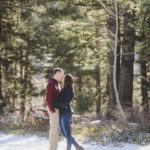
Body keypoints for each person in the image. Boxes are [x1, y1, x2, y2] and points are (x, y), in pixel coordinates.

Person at [53, 74, 84, 150]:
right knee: (64, 133)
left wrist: (54, 103)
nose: (62, 78)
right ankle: (77, 147)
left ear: (66, 80)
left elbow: (66, 102)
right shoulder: (65, 88)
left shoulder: (69, 90)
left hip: (66, 113)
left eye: (63, 78)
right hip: (62, 113)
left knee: (67, 134)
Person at [46, 68, 64, 150]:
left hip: (57, 109)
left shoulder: (57, 84)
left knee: (56, 130)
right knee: (53, 131)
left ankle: (54, 148)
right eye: (62, 74)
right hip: (53, 109)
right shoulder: (51, 83)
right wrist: (52, 111)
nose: (62, 76)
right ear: (57, 73)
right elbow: (48, 99)